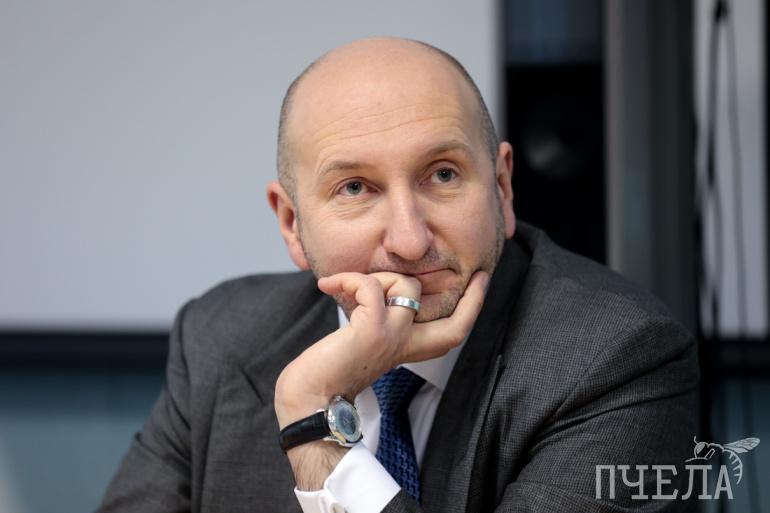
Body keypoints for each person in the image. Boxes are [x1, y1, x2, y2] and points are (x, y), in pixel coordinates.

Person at [97, 37, 699, 513]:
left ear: (502, 187)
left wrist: (314, 429)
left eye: (443, 175)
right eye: (355, 188)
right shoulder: (219, 339)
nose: (410, 241)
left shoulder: (617, 359)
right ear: (291, 224)